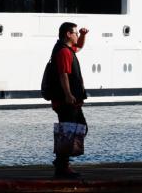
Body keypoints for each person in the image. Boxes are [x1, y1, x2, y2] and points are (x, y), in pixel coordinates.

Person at [50, 21, 88, 178]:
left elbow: (79, 47)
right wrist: (68, 94)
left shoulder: (65, 48)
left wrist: (84, 36)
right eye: (76, 33)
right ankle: (62, 166)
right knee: (69, 132)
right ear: (68, 34)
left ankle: (61, 163)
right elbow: (63, 74)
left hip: (69, 101)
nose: (77, 35)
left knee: (75, 130)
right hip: (67, 101)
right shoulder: (64, 52)